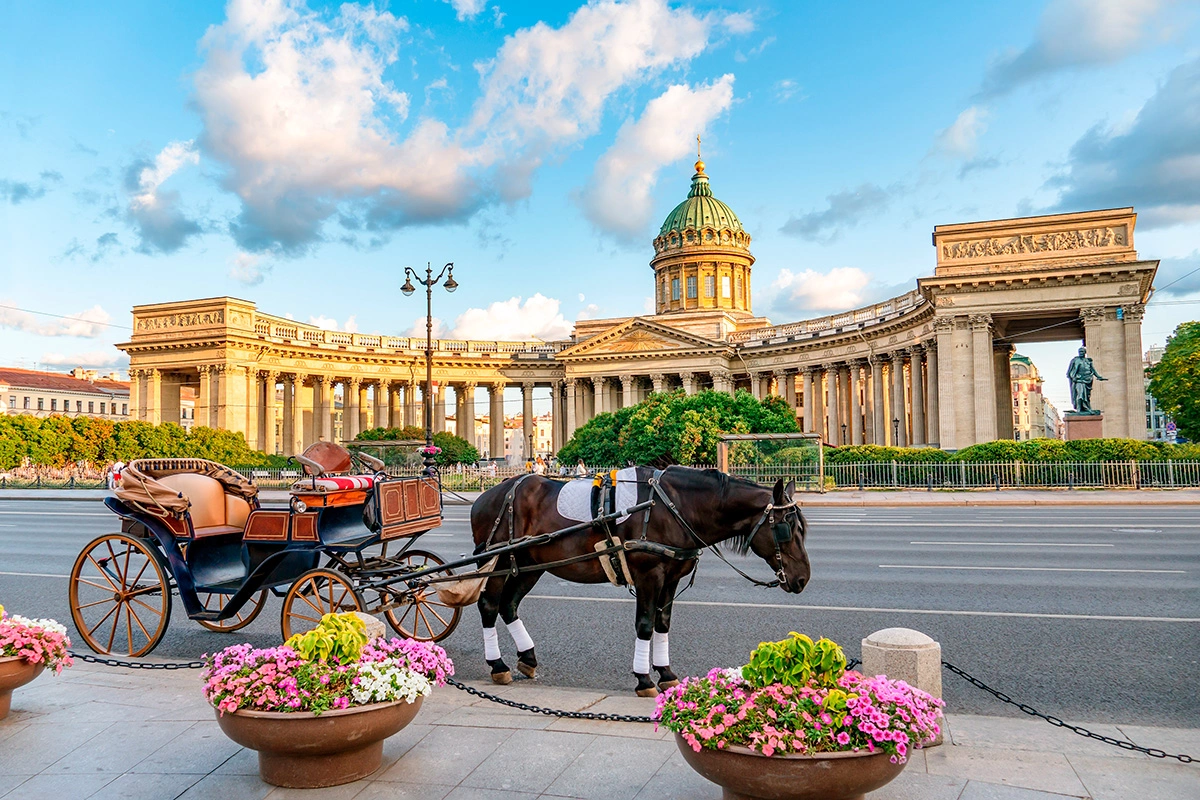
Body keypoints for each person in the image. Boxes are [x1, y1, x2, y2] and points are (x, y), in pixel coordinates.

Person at [1067, 346, 1107, 414]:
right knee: (1080, 395)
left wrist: (1099, 377)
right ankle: (1079, 410)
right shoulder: (1075, 360)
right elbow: (1069, 371)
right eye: (1079, 352)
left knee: (1086, 396)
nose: (1081, 353)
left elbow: (1093, 370)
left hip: (1087, 380)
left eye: (1082, 351)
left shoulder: (1088, 361)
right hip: (1078, 380)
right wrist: (1073, 377)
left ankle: (1086, 408)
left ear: (1085, 353)